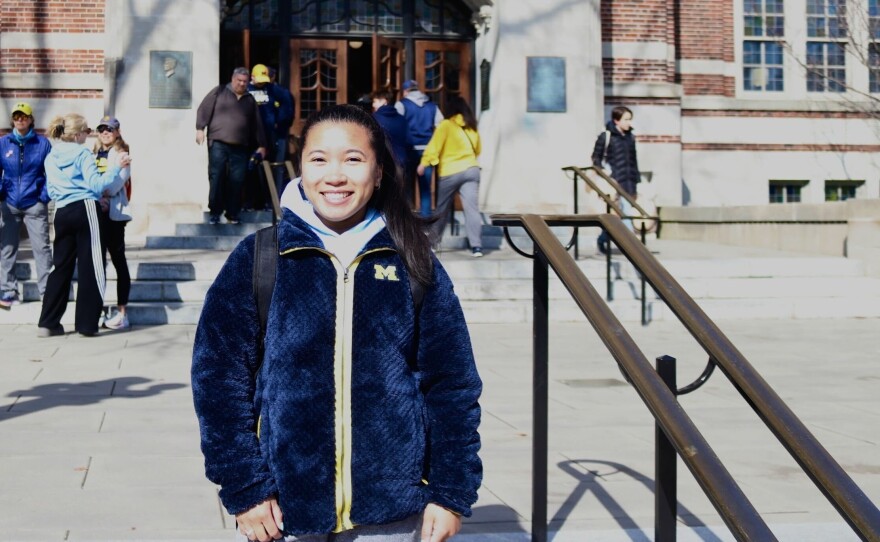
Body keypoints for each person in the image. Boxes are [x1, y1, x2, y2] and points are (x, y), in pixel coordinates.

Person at [192, 104, 482, 542]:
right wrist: (245, 487)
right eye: (319, 159)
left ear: (379, 171)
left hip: (392, 513)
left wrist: (451, 491)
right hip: (282, 510)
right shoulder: (261, 258)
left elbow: (452, 385)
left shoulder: (413, 262)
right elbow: (218, 379)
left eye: (353, 159)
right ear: (301, 168)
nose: (335, 175)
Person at [38, 113, 130, 338]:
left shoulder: (51, 156)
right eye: (87, 131)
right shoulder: (82, 153)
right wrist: (116, 167)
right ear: (78, 134)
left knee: (60, 267)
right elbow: (97, 185)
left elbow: (50, 191)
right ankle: (87, 325)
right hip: (86, 208)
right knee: (92, 266)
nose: (89, 135)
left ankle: (48, 323)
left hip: (61, 211)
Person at [196, 67, 267, 225]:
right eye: (239, 81)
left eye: (244, 81)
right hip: (218, 142)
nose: (241, 84)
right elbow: (204, 109)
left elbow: (257, 124)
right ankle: (215, 212)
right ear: (233, 79)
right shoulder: (219, 91)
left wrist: (262, 145)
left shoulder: (249, 99)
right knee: (217, 177)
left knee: (237, 179)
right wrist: (200, 128)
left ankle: (232, 213)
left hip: (240, 146)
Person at [0, 102, 52, 307]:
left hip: (34, 204)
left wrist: (43, 197)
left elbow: (51, 174)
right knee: (7, 248)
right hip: (9, 203)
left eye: (24, 116)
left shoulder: (43, 144)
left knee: (42, 248)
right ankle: (7, 291)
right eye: (16, 116)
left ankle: (47, 291)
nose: (20, 119)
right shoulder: (3, 143)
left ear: (31, 120)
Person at [418, 96, 483, 257]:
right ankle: (476, 247)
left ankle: (432, 244)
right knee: (472, 209)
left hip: (450, 171)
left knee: (442, 209)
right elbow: (478, 148)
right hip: (471, 169)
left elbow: (435, 146)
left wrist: (425, 162)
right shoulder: (471, 126)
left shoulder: (446, 125)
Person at [92, 115, 132, 330]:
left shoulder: (122, 154)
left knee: (118, 260)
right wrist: (97, 196)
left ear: (117, 132)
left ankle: (122, 312)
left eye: (109, 129)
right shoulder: (92, 153)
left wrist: (102, 193)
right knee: (97, 263)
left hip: (114, 214)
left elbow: (119, 181)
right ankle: (97, 309)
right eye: (101, 129)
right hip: (95, 212)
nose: (105, 132)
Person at [591, 106, 640, 255]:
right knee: (622, 214)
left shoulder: (630, 137)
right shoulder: (606, 136)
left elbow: (633, 161)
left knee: (623, 214)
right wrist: (605, 174)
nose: (629, 122)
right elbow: (596, 158)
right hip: (613, 182)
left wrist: (636, 182)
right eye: (626, 119)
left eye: (630, 119)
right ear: (616, 120)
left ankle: (604, 238)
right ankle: (632, 246)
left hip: (628, 181)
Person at [245, 64, 290, 211]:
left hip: (270, 137)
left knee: (271, 171)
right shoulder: (246, 90)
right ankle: (250, 203)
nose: (262, 82)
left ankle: (270, 203)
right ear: (252, 77)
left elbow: (287, 103)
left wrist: (279, 123)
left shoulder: (272, 89)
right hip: (250, 138)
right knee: (249, 171)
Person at [395, 80, 443, 216]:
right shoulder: (432, 106)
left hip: (409, 150)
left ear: (405, 91)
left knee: (406, 187)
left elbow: (397, 125)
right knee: (425, 188)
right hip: (427, 150)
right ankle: (426, 221)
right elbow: (441, 126)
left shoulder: (402, 104)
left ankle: (406, 220)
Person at [268, 67, 294, 195]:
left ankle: (276, 196)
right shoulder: (254, 91)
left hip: (279, 135)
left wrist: (278, 125)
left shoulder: (281, 92)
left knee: (278, 166)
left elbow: (288, 114)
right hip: (259, 138)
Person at [371, 89, 408, 170]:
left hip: (382, 162)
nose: (373, 105)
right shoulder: (402, 119)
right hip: (401, 161)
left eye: (375, 101)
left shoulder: (373, 118)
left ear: (384, 101)